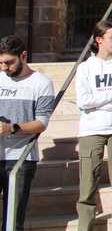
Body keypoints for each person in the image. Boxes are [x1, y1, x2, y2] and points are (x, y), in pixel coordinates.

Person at [75, 20, 112, 231]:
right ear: (99, 40)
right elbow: (83, 101)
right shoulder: (85, 68)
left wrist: (99, 103)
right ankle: (85, 226)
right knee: (88, 184)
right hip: (91, 131)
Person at [0, 35, 55, 231]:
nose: (4, 68)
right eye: (0, 63)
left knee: (13, 221)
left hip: (21, 158)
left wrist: (12, 128)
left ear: (23, 56)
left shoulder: (42, 83)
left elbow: (41, 123)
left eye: (9, 63)